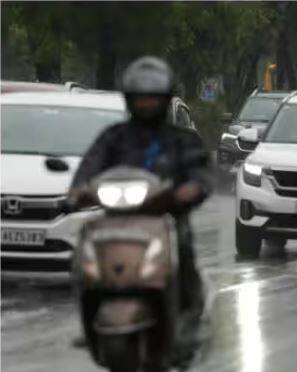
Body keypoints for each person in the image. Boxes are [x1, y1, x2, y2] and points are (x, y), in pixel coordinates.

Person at [69, 56, 212, 345]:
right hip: (117, 217)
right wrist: (77, 192)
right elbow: (90, 167)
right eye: (140, 99)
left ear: (165, 99)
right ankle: (90, 313)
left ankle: (189, 316)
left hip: (165, 218)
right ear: (129, 99)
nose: (146, 105)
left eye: (152, 99)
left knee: (182, 247)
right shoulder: (114, 137)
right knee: (86, 248)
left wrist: (191, 189)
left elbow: (201, 173)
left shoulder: (181, 140)